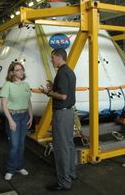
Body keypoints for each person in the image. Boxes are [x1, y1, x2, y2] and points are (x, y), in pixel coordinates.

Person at [41, 48, 77, 191]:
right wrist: (54, 86)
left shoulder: (61, 73)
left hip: (61, 115)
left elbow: (62, 96)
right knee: (69, 144)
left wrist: (48, 92)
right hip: (69, 113)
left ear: (58, 57)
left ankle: (64, 182)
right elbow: (64, 92)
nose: (51, 60)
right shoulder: (69, 71)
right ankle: (71, 173)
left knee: (61, 148)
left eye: (52, 58)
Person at [0, 62, 33, 181]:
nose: (21, 72)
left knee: (21, 145)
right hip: (13, 117)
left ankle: (19, 166)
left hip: (24, 117)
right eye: (18, 70)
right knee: (14, 146)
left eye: (22, 69)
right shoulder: (7, 85)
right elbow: (3, 105)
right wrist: (11, 121)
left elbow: (28, 101)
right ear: (12, 72)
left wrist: (31, 116)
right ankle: (10, 169)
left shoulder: (26, 85)